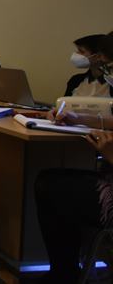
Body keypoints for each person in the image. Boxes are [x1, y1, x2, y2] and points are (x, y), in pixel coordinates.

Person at [35, 34, 113, 283]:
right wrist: (78, 118)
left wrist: (110, 154)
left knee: (50, 185)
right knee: (54, 181)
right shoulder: (78, 81)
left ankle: (64, 274)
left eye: (109, 65)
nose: (107, 71)